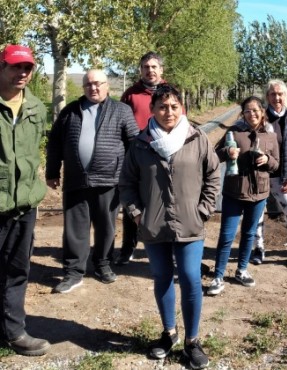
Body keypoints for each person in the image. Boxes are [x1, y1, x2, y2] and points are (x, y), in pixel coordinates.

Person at [119, 84, 218, 367]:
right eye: (162, 107)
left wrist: (203, 209)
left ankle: (192, 341)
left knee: (189, 277)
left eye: (174, 106)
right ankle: (169, 333)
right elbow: (126, 183)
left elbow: (213, 175)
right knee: (162, 278)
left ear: (182, 108)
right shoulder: (141, 144)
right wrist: (138, 213)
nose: (168, 112)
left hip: (190, 224)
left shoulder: (197, 138)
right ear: (152, 110)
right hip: (154, 226)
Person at [46, 69, 139, 293]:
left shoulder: (121, 111)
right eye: (88, 84)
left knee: (106, 227)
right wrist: (52, 172)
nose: (93, 88)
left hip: (109, 181)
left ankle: (102, 265)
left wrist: (133, 176)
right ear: (84, 87)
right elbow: (55, 143)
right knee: (74, 230)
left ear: (107, 86)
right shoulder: (70, 111)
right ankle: (73, 272)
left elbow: (134, 144)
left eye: (98, 83)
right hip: (76, 181)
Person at [0, 44, 50, 356]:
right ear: (1, 67)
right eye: (15, 67)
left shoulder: (36, 108)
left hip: (24, 205)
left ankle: (14, 331)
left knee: (17, 271)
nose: (22, 73)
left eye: (27, 68)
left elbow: (33, 156)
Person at [207, 96, 279, 296]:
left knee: (249, 233)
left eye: (255, 110)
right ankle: (218, 276)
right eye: (247, 111)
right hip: (234, 191)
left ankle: (242, 270)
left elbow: (276, 164)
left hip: (259, 194)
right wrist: (228, 151)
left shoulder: (270, 137)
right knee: (227, 235)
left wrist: (267, 159)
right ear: (243, 114)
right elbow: (215, 155)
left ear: (262, 111)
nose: (252, 114)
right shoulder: (234, 132)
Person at [116, 51, 167, 266]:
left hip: (162, 155)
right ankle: (128, 247)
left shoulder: (170, 92)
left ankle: (163, 245)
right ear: (141, 70)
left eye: (154, 67)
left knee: (162, 200)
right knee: (132, 203)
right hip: (135, 156)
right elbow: (119, 123)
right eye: (146, 67)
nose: (150, 70)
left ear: (161, 70)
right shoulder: (131, 94)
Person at [251, 79, 287, 271]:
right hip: (260, 175)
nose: (277, 98)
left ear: (286, 96)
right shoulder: (260, 118)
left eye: (280, 94)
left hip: (281, 175)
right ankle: (259, 248)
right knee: (257, 212)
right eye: (273, 94)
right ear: (267, 97)